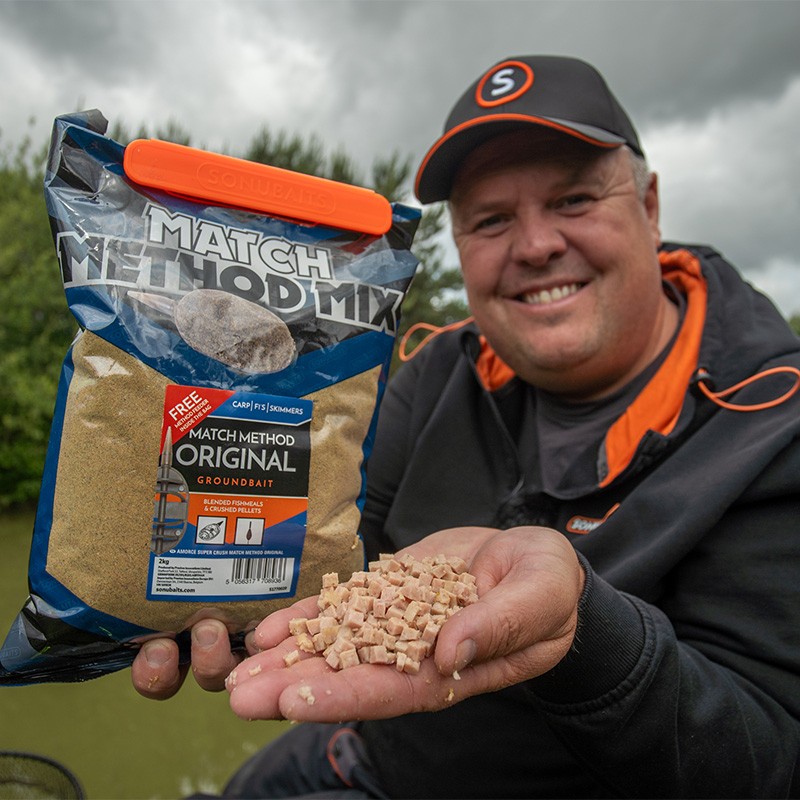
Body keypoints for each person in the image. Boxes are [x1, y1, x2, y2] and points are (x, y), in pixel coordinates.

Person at [131, 55, 800, 798]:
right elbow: (333, 554)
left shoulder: (774, 421)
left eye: (574, 199)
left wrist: (582, 628)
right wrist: (200, 579)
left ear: (649, 205)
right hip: (372, 753)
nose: (536, 245)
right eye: (491, 220)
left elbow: (771, 754)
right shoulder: (436, 370)